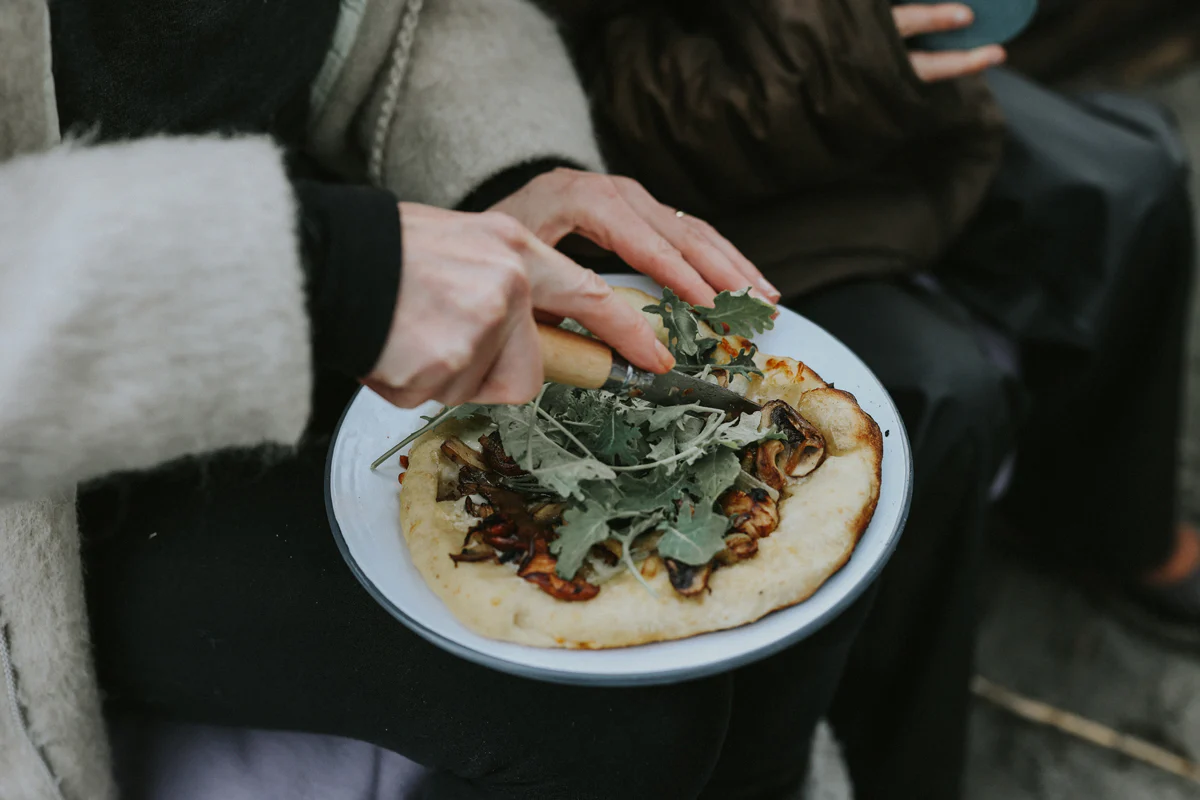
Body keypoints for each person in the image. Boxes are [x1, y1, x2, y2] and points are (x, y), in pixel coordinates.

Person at [1, 1, 870, 799]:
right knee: (619, 721)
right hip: (63, 498)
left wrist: (507, 181)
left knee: (786, 631)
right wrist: (314, 272)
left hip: (353, 296)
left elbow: (416, 20)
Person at [547, 0, 1194, 797]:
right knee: (933, 402)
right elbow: (591, 98)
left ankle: (1108, 522)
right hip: (705, 174)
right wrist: (852, 48)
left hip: (877, 100)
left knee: (1127, 182)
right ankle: (894, 770)